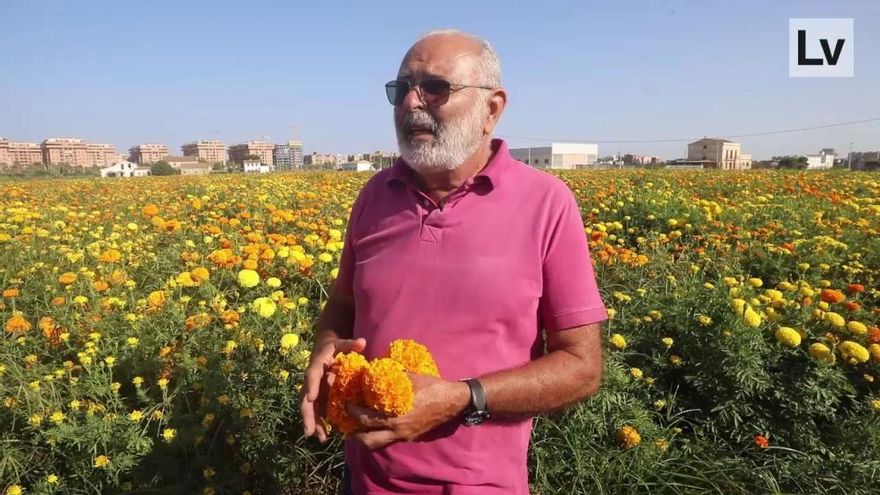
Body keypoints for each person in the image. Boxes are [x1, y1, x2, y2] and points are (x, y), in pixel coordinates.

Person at [300, 29, 608, 495]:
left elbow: (581, 366)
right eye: (401, 89)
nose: (410, 104)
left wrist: (464, 398)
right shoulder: (374, 196)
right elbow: (343, 303)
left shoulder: (547, 204)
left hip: (478, 485)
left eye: (435, 88)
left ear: (492, 108)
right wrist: (325, 346)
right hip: (363, 479)